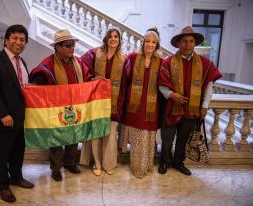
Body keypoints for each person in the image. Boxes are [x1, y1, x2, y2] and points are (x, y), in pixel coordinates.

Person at [158, 26, 222, 176]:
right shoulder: (168, 62)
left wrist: (204, 106)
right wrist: (172, 94)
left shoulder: (205, 64)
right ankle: (165, 161)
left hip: (191, 110)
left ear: (195, 43)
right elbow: (161, 84)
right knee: (167, 139)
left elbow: (208, 86)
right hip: (171, 107)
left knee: (183, 139)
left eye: (191, 41)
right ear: (179, 43)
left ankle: (178, 162)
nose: (187, 44)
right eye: (184, 41)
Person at [30, 29, 92, 182]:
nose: (72, 48)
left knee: (73, 137)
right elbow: (38, 79)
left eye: (72, 45)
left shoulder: (78, 62)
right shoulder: (49, 63)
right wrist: (32, 87)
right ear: (57, 47)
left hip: (75, 107)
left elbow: (88, 77)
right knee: (56, 140)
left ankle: (70, 163)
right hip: (56, 109)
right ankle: (56, 169)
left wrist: (98, 80)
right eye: (67, 45)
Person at [0, 24, 34, 203]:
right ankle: (2, 186)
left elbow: (21, 89)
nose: (19, 42)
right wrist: (4, 114)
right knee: (2, 154)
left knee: (18, 152)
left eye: (22, 40)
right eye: (15, 38)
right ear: (6, 40)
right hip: (4, 118)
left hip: (20, 118)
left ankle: (16, 178)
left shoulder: (22, 62)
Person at [79, 28, 126, 176]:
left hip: (114, 101)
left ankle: (109, 164)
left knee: (111, 135)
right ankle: (97, 163)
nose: (113, 39)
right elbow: (81, 65)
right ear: (106, 39)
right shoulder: (94, 53)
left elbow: (126, 82)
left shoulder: (124, 59)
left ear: (119, 40)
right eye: (110, 36)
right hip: (97, 101)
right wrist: (92, 79)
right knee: (96, 134)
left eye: (116, 37)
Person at [121, 27, 163, 178]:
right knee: (138, 137)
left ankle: (146, 165)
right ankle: (137, 167)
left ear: (157, 45)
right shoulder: (132, 58)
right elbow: (124, 79)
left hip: (151, 105)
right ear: (143, 42)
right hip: (135, 105)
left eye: (153, 42)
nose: (150, 45)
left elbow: (164, 84)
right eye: (147, 41)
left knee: (147, 137)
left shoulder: (161, 62)